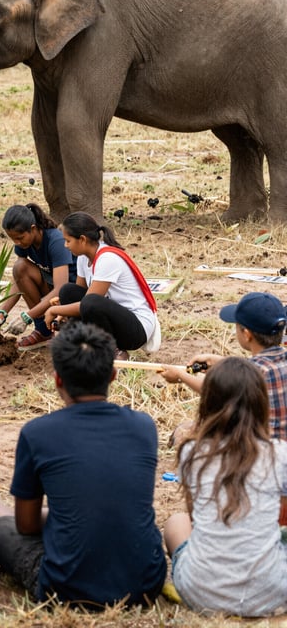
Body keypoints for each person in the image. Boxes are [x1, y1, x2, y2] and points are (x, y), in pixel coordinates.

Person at [0, 321, 166, 608]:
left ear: (57, 380)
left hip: (66, 587)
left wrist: (66, 516)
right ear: (113, 375)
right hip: (145, 583)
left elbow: (26, 525)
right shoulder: (144, 426)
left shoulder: (37, 432)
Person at [164, 357, 287, 616]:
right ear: (262, 405)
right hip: (273, 592)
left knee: (176, 522)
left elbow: (196, 518)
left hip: (201, 592)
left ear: (207, 403)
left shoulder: (191, 452)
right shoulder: (280, 454)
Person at [160, 292, 287, 438]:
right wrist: (223, 363)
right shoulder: (276, 361)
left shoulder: (251, 375)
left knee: (184, 432)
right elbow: (257, 367)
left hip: (259, 448)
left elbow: (212, 388)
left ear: (246, 334)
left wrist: (180, 375)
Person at [44, 211, 159, 358]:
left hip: (136, 328)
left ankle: (115, 350)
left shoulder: (107, 259)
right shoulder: (83, 258)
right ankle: (86, 343)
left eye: (68, 241)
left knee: (91, 302)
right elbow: (79, 296)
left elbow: (87, 303)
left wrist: (55, 310)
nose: (65, 246)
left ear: (82, 240)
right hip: (115, 318)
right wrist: (62, 313)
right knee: (68, 291)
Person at [0, 204, 76, 348]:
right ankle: (43, 331)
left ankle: (63, 324)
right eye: (13, 239)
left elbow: (61, 289)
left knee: (21, 266)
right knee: (20, 267)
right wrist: (2, 312)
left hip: (72, 294)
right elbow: (19, 279)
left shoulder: (55, 241)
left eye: (20, 237)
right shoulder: (24, 244)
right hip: (53, 291)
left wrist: (27, 317)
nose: (17, 243)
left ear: (32, 228)